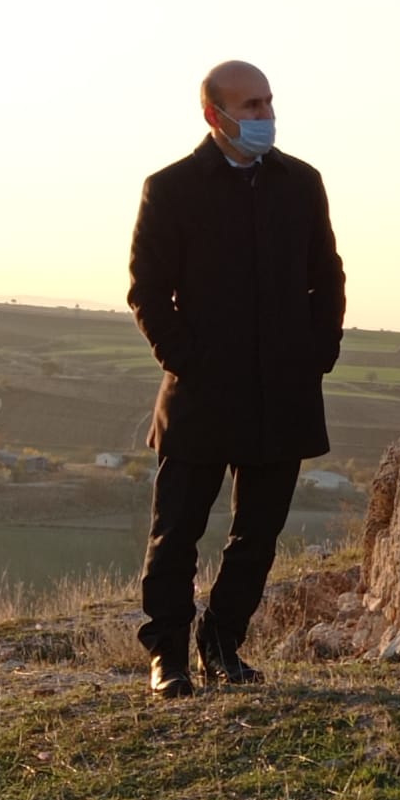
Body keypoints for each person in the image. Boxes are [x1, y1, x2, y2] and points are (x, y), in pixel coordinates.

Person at [127, 60, 346, 699]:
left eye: (268, 103)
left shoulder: (301, 183)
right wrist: (186, 363)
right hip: (200, 396)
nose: (264, 117)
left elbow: (325, 275)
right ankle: (167, 654)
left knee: (258, 535)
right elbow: (147, 290)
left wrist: (318, 354)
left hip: (283, 394)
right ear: (213, 115)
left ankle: (223, 642)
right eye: (250, 106)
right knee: (176, 534)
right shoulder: (170, 188)